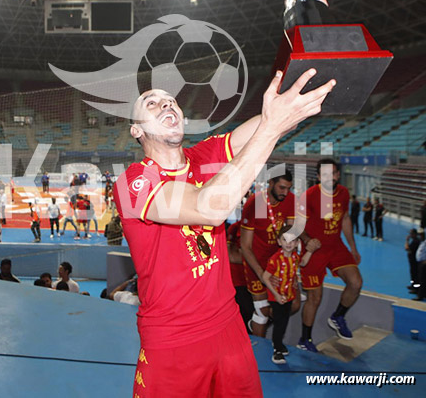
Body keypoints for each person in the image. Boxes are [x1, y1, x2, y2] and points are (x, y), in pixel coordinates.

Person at [113, 58, 335, 397]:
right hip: (172, 337)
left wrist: (304, 27)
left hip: (228, 325)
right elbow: (209, 208)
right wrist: (273, 127)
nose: (165, 103)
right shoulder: (133, 181)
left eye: (170, 100)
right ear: (137, 130)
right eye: (151, 103)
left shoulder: (206, 154)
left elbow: (271, 121)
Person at [296, 159, 362, 352]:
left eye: (333, 173)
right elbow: (298, 225)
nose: (330, 177)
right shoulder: (309, 196)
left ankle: (338, 316)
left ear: (338, 175)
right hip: (314, 250)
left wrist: (353, 247)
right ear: (318, 177)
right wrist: (308, 241)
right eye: (325, 174)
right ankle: (305, 339)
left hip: (336, 246)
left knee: (356, 282)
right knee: (315, 298)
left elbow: (345, 219)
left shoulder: (344, 193)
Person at [240, 172, 304, 337]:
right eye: (281, 187)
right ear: (270, 183)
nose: (285, 192)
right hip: (257, 263)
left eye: (289, 188)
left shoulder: (290, 200)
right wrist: (261, 274)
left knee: (294, 305)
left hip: (279, 263)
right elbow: (245, 246)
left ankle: (256, 323)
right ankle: (258, 346)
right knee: (263, 310)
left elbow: (291, 235)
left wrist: (293, 274)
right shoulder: (255, 204)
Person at [263, 225, 314, 364]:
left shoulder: (295, 257)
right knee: (280, 322)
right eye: (285, 240)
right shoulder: (275, 259)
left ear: (297, 243)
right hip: (277, 296)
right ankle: (277, 349)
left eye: (292, 241)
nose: (288, 243)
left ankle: (278, 343)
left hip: (289, 295)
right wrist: (276, 295)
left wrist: (309, 251)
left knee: (284, 320)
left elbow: (302, 263)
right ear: (279, 242)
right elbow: (265, 277)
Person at [227, 220, 254, 331]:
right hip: (238, 280)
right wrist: (251, 257)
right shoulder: (234, 228)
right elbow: (230, 256)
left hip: (255, 278)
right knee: (246, 312)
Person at [405, 229, 421, 293]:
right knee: (412, 274)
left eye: (411, 234)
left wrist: (407, 241)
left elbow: (407, 248)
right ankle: (412, 285)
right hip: (412, 260)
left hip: (414, 261)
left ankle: (416, 289)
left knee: (415, 274)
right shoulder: (415, 240)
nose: (410, 235)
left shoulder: (416, 241)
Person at [413, 236, 426, 301]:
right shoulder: (423, 242)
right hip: (420, 263)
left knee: (422, 280)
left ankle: (420, 295)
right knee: (420, 278)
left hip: (423, 264)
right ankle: (418, 291)